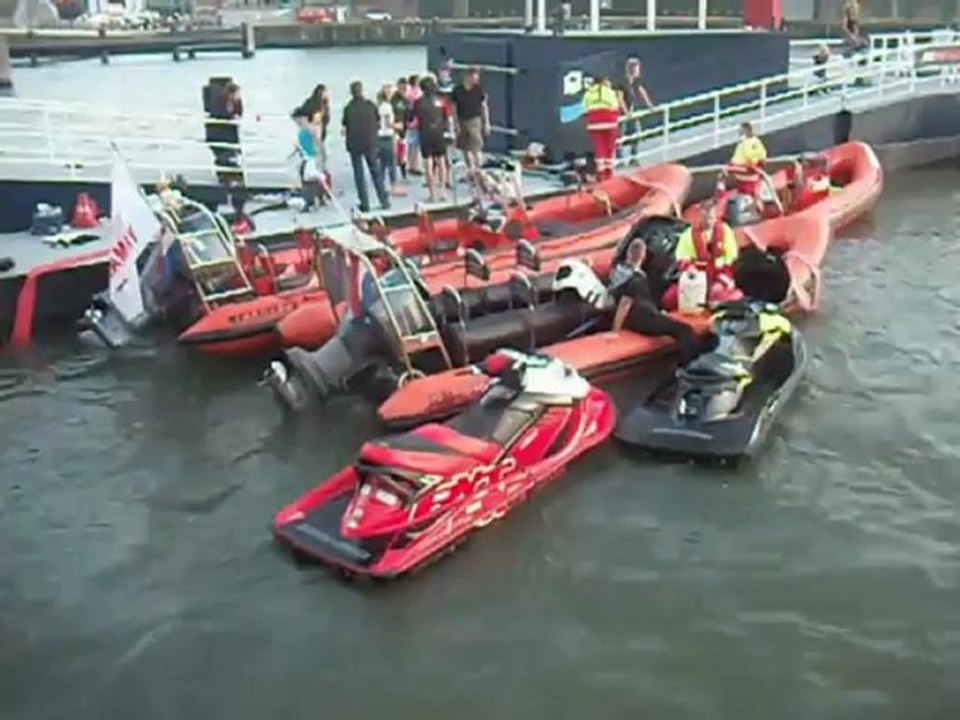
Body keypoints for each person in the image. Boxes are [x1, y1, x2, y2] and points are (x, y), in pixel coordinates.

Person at [610, 239, 700, 363]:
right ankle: (688, 365)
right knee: (684, 330)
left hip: (639, 316)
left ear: (628, 254)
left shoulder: (618, 271)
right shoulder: (637, 278)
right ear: (643, 256)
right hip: (642, 317)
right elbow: (624, 304)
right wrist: (615, 331)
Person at [662, 202, 742, 312]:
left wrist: (721, 281)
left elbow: (731, 260)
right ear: (700, 217)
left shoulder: (726, 232)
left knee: (724, 297)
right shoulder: (688, 235)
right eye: (705, 218)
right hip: (697, 277)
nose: (708, 221)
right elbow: (682, 257)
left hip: (719, 276)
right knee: (669, 299)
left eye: (711, 218)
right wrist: (689, 268)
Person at [342, 80, 390, 213]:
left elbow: (345, 125)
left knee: (359, 174)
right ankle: (384, 200)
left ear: (351, 93)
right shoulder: (371, 105)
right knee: (376, 172)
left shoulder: (348, 108)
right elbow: (377, 122)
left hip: (355, 144)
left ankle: (365, 203)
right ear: (362, 91)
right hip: (370, 143)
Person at [412, 74, 452, 203]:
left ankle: (432, 194)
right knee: (441, 161)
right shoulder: (441, 101)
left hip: (425, 133)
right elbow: (447, 118)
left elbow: (415, 119)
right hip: (439, 132)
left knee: (428, 164)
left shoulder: (418, 102)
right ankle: (443, 192)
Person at [451, 67, 490, 179]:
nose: (476, 79)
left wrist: (486, 122)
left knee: (476, 147)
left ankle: (479, 171)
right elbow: (454, 107)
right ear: (467, 76)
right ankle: (470, 171)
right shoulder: (457, 90)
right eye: (474, 77)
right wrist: (455, 123)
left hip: (474, 120)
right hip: (462, 119)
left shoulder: (479, 90)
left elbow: (484, 106)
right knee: (465, 147)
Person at [582, 75, 620, 181]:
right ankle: (609, 174)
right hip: (610, 122)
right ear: (604, 82)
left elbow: (585, 110)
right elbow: (615, 106)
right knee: (609, 149)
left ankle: (601, 174)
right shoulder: (610, 92)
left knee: (599, 149)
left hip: (594, 124)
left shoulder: (588, 94)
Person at [617, 57, 654, 163]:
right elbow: (620, 99)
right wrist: (626, 112)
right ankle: (620, 160)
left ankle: (634, 157)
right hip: (623, 114)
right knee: (620, 137)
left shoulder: (636, 82)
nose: (639, 71)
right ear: (632, 69)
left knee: (637, 134)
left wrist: (650, 106)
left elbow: (642, 92)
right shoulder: (622, 82)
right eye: (637, 69)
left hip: (634, 112)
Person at [728, 121, 768, 210]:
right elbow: (763, 159)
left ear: (744, 132)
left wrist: (730, 168)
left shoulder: (744, 144)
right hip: (753, 178)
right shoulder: (757, 142)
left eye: (740, 131)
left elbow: (737, 162)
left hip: (744, 177)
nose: (738, 133)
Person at [297, 84, 330, 190]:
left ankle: (319, 186)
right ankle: (318, 187)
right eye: (325, 92)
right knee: (317, 160)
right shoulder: (315, 105)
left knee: (319, 160)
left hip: (319, 134)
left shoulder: (323, 105)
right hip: (314, 135)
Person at [292, 109, 322, 210]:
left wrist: (319, 158)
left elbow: (317, 143)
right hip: (305, 158)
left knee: (310, 179)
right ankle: (311, 200)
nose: (296, 122)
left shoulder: (310, 129)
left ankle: (312, 200)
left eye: (297, 120)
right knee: (306, 179)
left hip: (311, 158)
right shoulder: (301, 130)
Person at [375, 83, 402, 196]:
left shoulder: (379, 106)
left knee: (382, 163)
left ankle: (380, 185)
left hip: (379, 136)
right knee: (391, 162)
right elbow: (387, 123)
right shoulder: (387, 107)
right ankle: (393, 185)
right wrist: (397, 126)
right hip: (387, 136)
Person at [391, 78, 411, 180]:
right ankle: (393, 175)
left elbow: (409, 114)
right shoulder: (393, 99)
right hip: (395, 129)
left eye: (404, 87)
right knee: (395, 152)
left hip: (405, 130)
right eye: (400, 87)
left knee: (403, 154)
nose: (402, 89)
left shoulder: (406, 100)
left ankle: (403, 174)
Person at [405, 74, 423, 175]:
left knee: (411, 144)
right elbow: (418, 109)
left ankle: (410, 165)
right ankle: (415, 165)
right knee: (415, 144)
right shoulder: (417, 93)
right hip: (416, 121)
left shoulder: (408, 93)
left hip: (409, 119)